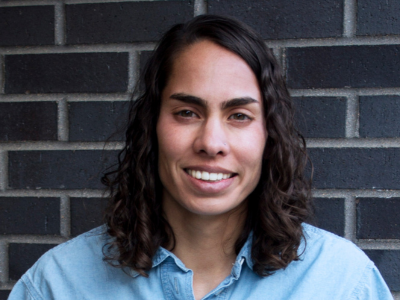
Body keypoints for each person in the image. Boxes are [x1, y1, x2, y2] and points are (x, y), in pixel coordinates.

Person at [8, 15, 393, 300]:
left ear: (268, 136)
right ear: (152, 127)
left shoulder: (342, 282)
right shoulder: (59, 285)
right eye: (187, 112)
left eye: (239, 116)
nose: (212, 142)